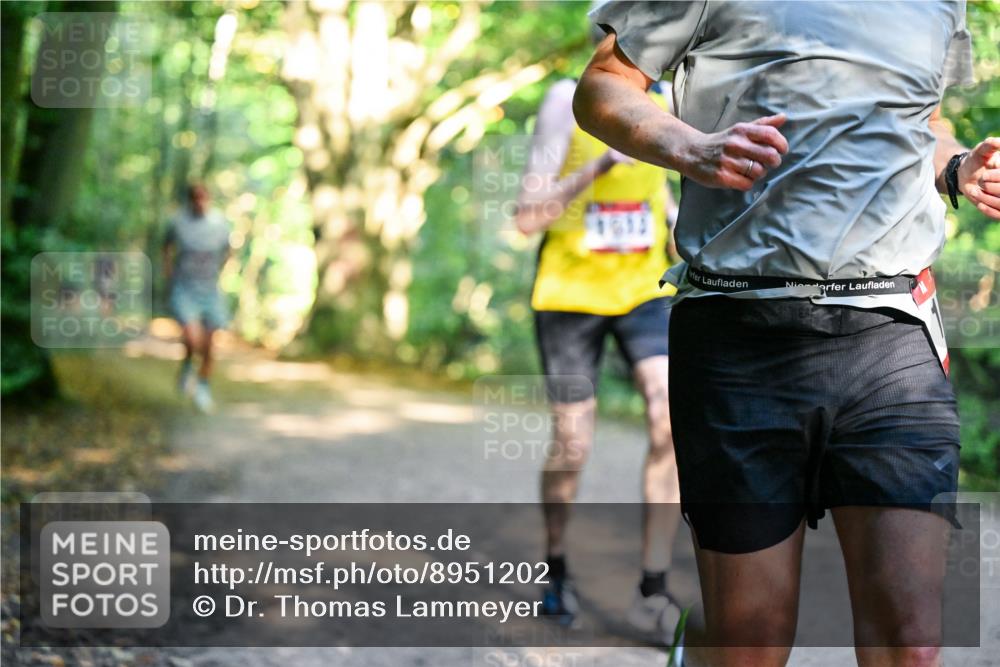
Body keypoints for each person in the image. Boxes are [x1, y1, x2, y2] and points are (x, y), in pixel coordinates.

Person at [575, 2, 999, 665]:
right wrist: (692, 147)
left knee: (911, 644)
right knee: (751, 644)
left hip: (892, 335)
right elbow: (603, 85)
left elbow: (920, 121)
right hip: (738, 335)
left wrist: (955, 167)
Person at [515, 47, 683, 637]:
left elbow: (662, 205)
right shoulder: (566, 100)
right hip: (568, 295)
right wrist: (599, 166)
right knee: (572, 441)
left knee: (670, 421)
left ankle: (653, 588)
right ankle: (556, 570)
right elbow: (527, 216)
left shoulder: (668, 106)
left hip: (643, 291)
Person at [163, 183, 232, 414]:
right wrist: (169, 272)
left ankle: (203, 386)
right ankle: (186, 366)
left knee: (210, 342)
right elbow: (166, 246)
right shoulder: (177, 222)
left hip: (210, 289)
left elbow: (228, 250)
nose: (200, 203)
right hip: (185, 289)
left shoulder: (220, 223)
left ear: (209, 199)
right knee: (193, 339)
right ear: (190, 201)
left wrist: (220, 270)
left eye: (204, 198)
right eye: (196, 199)